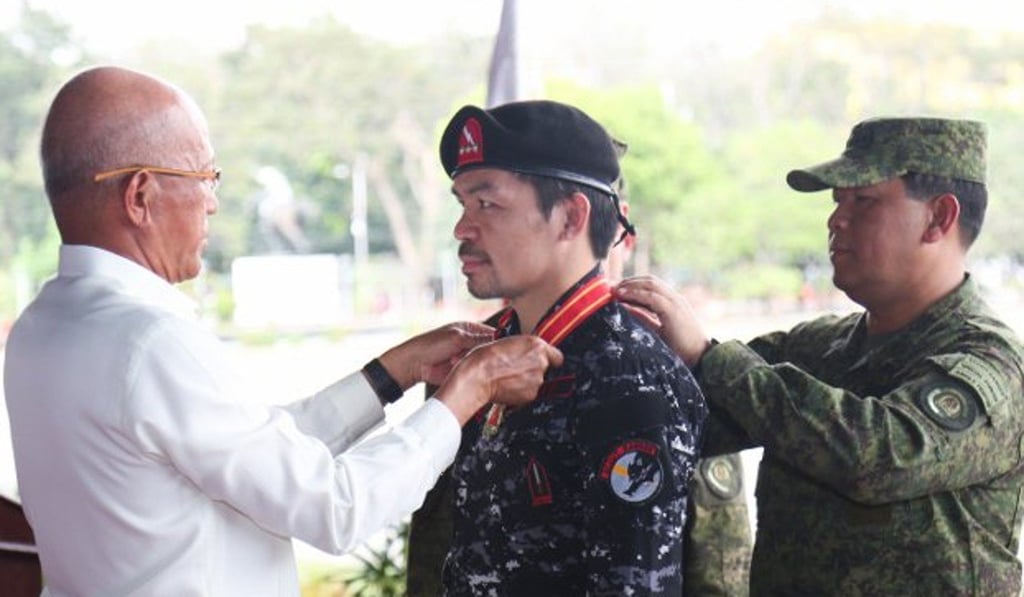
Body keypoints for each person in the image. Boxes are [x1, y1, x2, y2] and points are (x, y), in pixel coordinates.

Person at [2, 65, 563, 597]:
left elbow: (249, 454)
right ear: (141, 196)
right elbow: (334, 509)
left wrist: (389, 375)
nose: (213, 203)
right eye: (204, 176)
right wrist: (467, 392)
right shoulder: (148, 343)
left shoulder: (41, 329)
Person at [616, 117, 1024, 595]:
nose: (836, 220)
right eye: (837, 203)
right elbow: (686, 417)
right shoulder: (816, 348)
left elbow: (875, 456)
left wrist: (710, 356)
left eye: (863, 201)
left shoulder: (991, 363)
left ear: (939, 218)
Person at [433, 99, 707, 595]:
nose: (462, 229)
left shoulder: (628, 375)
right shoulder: (491, 356)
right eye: (462, 204)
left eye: (487, 203)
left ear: (569, 218)